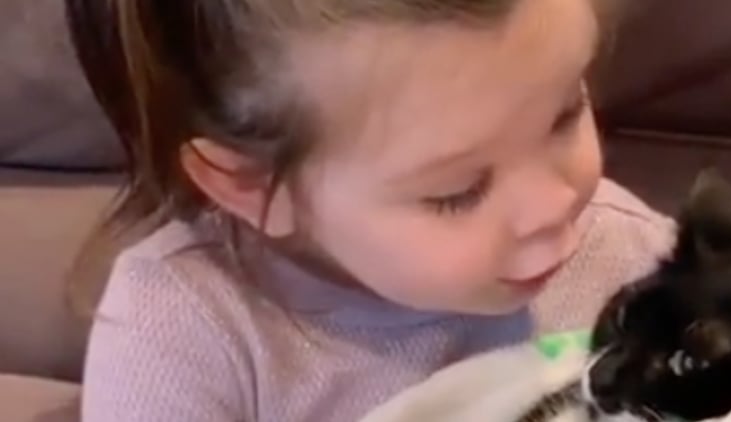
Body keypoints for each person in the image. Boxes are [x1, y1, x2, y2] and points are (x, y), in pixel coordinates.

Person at [66, 0, 675, 420]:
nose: (555, 206)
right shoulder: (183, 331)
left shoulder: (644, 268)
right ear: (247, 187)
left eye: (565, 113)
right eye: (458, 191)